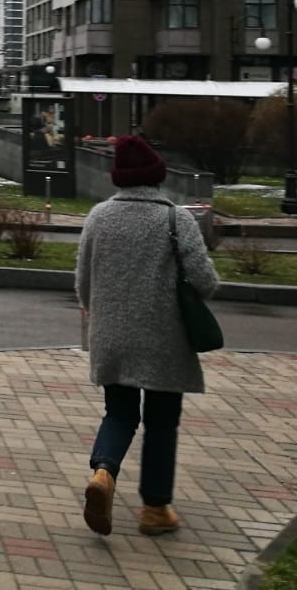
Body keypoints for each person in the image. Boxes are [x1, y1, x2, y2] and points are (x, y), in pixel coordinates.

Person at [76, 134, 219, 538]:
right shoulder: (177, 219)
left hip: (112, 336)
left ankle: (103, 474)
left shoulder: (98, 217)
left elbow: (83, 285)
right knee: (161, 422)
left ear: (119, 178)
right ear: (157, 176)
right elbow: (205, 282)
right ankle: (155, 510)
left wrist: (103, 314)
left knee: (119, 413)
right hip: (164, 339)